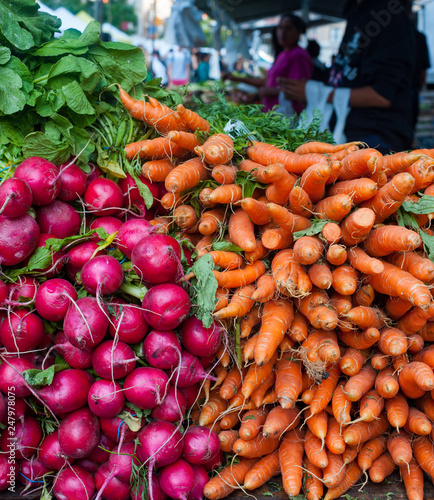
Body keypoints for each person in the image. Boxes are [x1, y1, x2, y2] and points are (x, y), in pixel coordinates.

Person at [279, 0, 416, 153]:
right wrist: (311, 87)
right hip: (347, 136)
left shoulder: (389, 15)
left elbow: (382, 95)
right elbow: (345, 74)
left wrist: (315, 92)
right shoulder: (356, 12)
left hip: (374, 141)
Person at [224, 14, 313, 113]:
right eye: (280, 27)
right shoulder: (282, 54)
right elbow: (267, 81)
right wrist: (236, 78)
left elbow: (300, 91)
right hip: (272, 113)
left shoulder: (299, 55)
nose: (282, 32)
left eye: (288, 29)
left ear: (298, 33)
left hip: (287, 116)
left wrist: (268, 91)